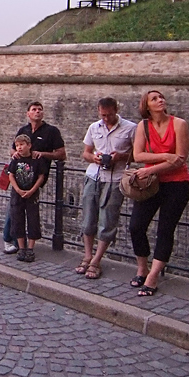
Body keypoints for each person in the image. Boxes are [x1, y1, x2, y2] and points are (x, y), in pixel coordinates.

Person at [128, 90, 189, 297]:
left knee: (165, 229)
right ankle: (142, 268)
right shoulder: (143, 126)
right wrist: (165, 156)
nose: (160, 100)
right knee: (136, 226)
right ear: (146, 105)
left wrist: (151, 167)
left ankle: (153, 276)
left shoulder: (179, 124)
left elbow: (180, 159)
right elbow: (138, 154)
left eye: (161, 97)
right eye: (154, 98)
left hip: (177, 184)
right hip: (150, 184)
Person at [78, 98, 136, 280]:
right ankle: (87, 255)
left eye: (109, 115)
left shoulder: (130, 128)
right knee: (88, 219)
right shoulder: (94, 127)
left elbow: (138, 154)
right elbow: (86, 152)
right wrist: (94, 158)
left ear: (116, 110)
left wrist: (121, 156)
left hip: (115, 179)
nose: (106, 119)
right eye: (102, 115)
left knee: (107, 221)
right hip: (93, 176)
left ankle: (96, 260)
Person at [2, 101, 66, 254]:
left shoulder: (51, 131)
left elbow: (61, 154)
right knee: (14, 210)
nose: (37, 112)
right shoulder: (23, 130)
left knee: (31, 214)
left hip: (37, 177)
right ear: (28, 113)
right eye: (34, 109)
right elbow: (12, 149)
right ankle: (10, 240)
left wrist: (43, 154)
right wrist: (14, 153)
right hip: (19, 176)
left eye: (40, 109)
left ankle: (25, 246)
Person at [8, 135, 48, 262]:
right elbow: (11, 175)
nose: (19, 148)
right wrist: (18, 190)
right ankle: (21, 248)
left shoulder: (36, 160)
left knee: (33, 219)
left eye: (22, 145)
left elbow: (41, 176)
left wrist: (32, 190)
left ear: (29, 145)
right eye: (17, 145)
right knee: (17, 219)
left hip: (32, 194)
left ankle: (30, 248)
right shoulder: (16, 159)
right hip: (17, 194)